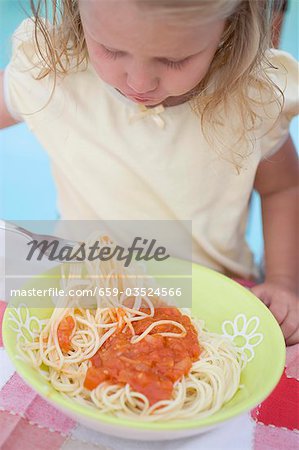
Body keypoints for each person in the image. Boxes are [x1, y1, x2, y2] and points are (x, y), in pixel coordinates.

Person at [0, 0, 298, 344]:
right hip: (85, 301)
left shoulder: (251, 100)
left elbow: (283, 188)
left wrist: (284, 280)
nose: (140, 82)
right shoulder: (50, 71)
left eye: (174, 60)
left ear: (228, 25)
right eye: (110, 49)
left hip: (217, 307)